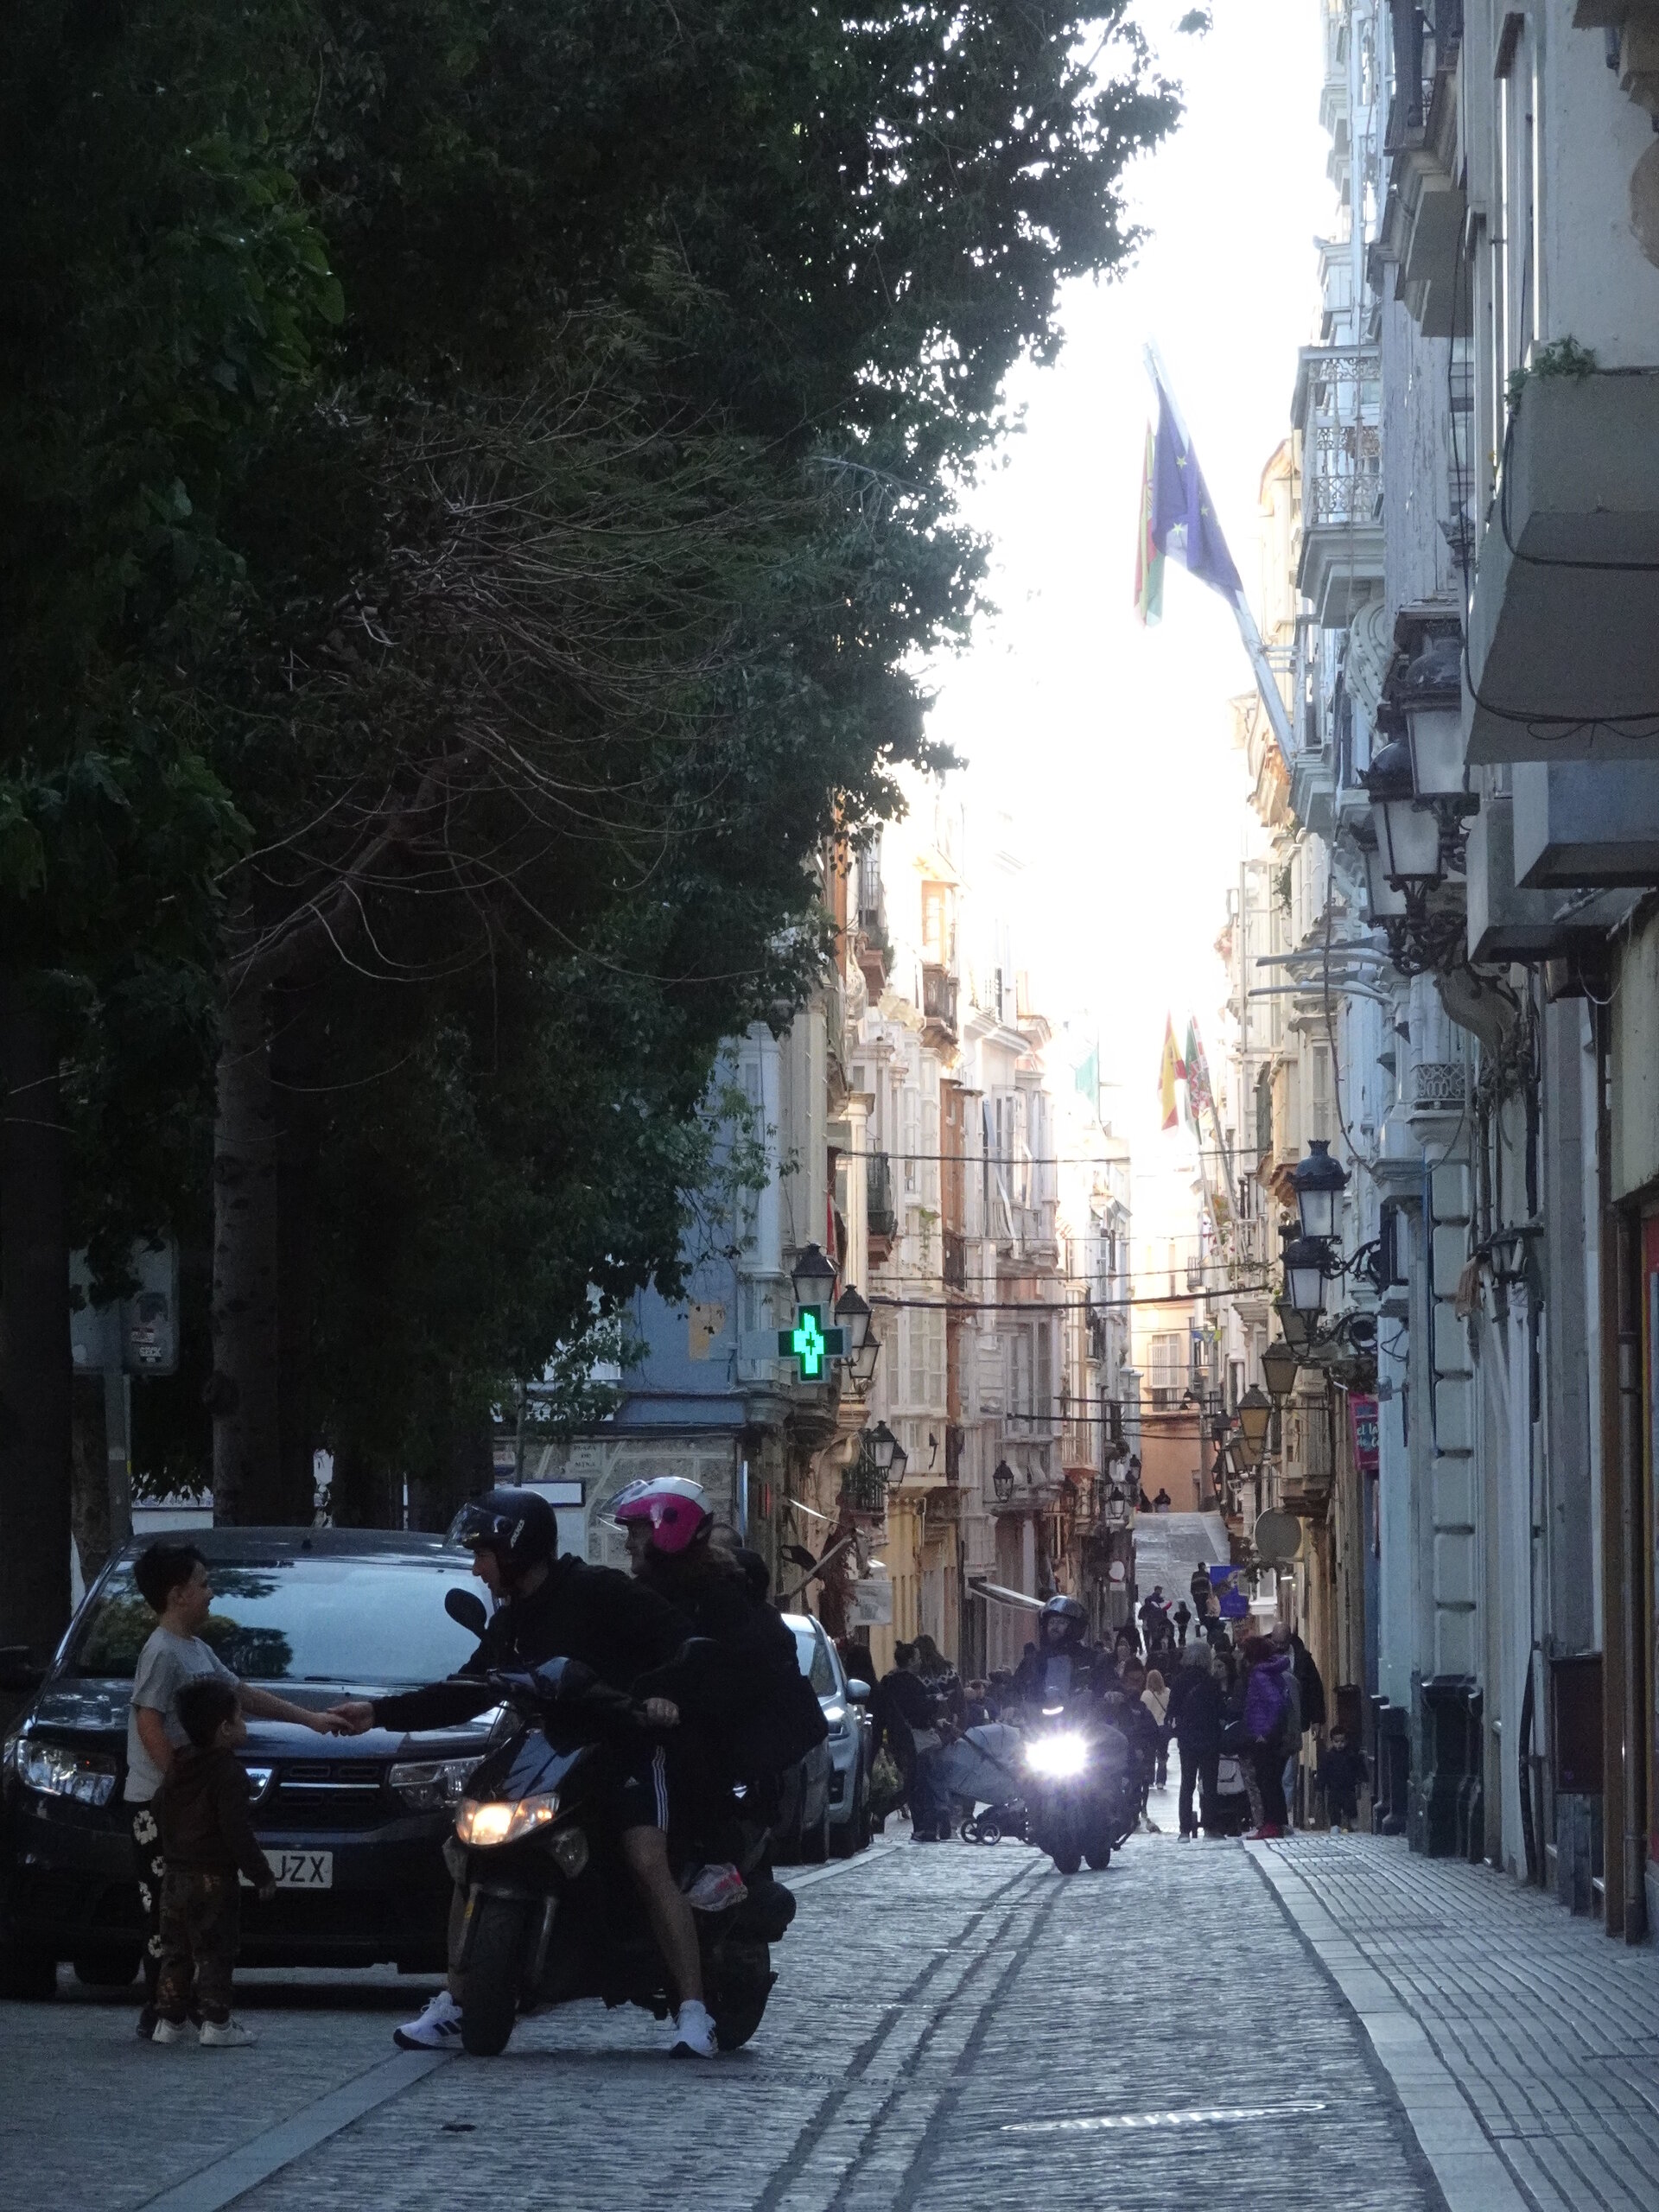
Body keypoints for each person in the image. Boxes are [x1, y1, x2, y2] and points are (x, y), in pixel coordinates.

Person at [330, 1488, 717, 2058]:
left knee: (644, 1856)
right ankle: (456, 2002)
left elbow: (684, 1642)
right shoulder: (512, 1621)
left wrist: (662, 1695)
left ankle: (693, 2010)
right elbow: (466, 1690)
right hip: (549, 1751)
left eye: (482, 1554)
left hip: (628, 1747)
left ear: (513, 1552)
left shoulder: (602, 1592)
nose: (476, 1568)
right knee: (469, 1845)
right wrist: (377, 1714)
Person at [125, 1541, 346, 2039]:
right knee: (167, 1908)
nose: (211, 1593)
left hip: (183, 1801)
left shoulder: (197, 1650)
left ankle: (177, 2010)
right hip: (158, 1802)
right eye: (203, 1584)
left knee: (186, 1907)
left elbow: (240, 1694)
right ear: (177, 1594)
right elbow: (149, 1722)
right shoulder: (161, 1651)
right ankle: (161, 2008)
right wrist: (180, 1784)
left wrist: (309, 1719)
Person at [614, 1483, 828, 1901]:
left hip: (720, 1754)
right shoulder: (641, 1595)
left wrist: (671, 1697)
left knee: (689, 1775)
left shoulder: (719, 1601)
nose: (627, 1545)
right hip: (657, 1738)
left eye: (636, 1533)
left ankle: (710, 1872)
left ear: (666, 1532)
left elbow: (728, 1672)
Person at [150, 1680, 275, 2048]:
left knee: (176, 1950)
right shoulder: (228, 1773)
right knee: (216, 1951)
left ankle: (169, 2021)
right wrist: (261, 1874)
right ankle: (217, 2022)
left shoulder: (179, 1765)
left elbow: (159, 1806)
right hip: (214, 1877)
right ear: (225, 1728)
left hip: (174, 1876)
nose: (245, 1724)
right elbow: (236, 1829)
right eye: (241, 1718)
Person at [874, 1642, 946, 1841]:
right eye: (917, 1657)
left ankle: (881, 1817)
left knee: (905, 1782)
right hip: (915, 1740)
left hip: (896, 1739)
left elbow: (882, 1710)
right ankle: (925, 1827)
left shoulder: (888, 1681)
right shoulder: (913, 1683)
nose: (920, 1660)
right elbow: (919, 1711)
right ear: (911, 1660)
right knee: (921, 1784)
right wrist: (934, 1703)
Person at [1241, 1634, 1299, 1840]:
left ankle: (1270, 1825)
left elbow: (1275, 1703)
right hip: (1272, 1735)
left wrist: (1263, 1732)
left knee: (1266, 1781)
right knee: (1273, 1781)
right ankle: (1278, 1823)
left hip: (1264, 1737)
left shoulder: (1259, 1674)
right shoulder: (1272, 1671)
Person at [1166, 1641, 1224, 1838]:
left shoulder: (1179, 1681)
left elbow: (1172, 1711)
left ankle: (1184, 1830)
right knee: (1209, 1785)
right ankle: (1210, 1827)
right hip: (1210, 1739)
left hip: (1188, 1740)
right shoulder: (1212, 1682)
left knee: (1187, 1784)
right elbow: (1220, 1711)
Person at [1318, 1726, 1366, 1833]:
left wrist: (1362, 1779)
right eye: (1336, 1742)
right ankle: (1335, 1827)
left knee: (1352, 1809)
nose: (1339, 1744)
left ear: (1347, 1741)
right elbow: (1323, 1772)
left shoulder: (1352, 1755)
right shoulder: (1328, 1756)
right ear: (1332, 1741)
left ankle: (1354, 1827)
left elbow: (1359, 1767)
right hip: (1333, 1789)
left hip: (1348, 1788)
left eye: (1342, 1741)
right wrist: (1320, 1787)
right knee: (1333, 1810)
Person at [1141, 1667, 1171, 1789]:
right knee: (1163, 1755)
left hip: (1151, 1728)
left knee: (1150, 1754)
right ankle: (1161, 1781)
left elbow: (1143, 1711)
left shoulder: (1146, 1694)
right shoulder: (1168, 1692)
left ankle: (1150, 1779)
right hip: (1164, 1727)